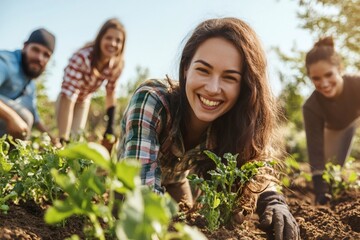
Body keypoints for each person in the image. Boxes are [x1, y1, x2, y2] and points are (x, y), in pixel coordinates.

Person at [118, 17, 299, 239]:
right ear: (185, 68)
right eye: (203, 70)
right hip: (127, 185)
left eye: (229, 77)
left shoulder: (233, 121)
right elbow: (142, 195)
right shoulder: (152, 101)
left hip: (176, 180)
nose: (213, 88)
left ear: (244, 86)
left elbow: (255, 165)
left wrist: (271, 198)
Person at [302, 36, 360, 205]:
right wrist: (320, 190)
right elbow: (315, 149)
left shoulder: (356, 85)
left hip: (356, 118)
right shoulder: (311, 107)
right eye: (316, 79)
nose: (324, 83)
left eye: (329, 75)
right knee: (331, 173)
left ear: (339, 69)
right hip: (335, 130)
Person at [56, 18, 125, 146]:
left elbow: (110, 93)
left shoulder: (116, 65)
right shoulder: (82, 58)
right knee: (64, 140)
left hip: (83, 101)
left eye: (118, 40)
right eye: (108, 38)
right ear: (100, 38)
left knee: (75, 140)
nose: (113, 43)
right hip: (66, 100)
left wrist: (110, 127)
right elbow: (69, 97)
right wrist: (63, 136)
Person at [0, 28, 57, 142]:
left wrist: (53, 140)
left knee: (26, 113)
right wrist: (12, 117)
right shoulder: (6, 62)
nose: (39, 58)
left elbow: (35, 118)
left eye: (46, 55)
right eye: (35, 50)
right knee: (23, 116)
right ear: (25, 46)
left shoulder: (29, 83)